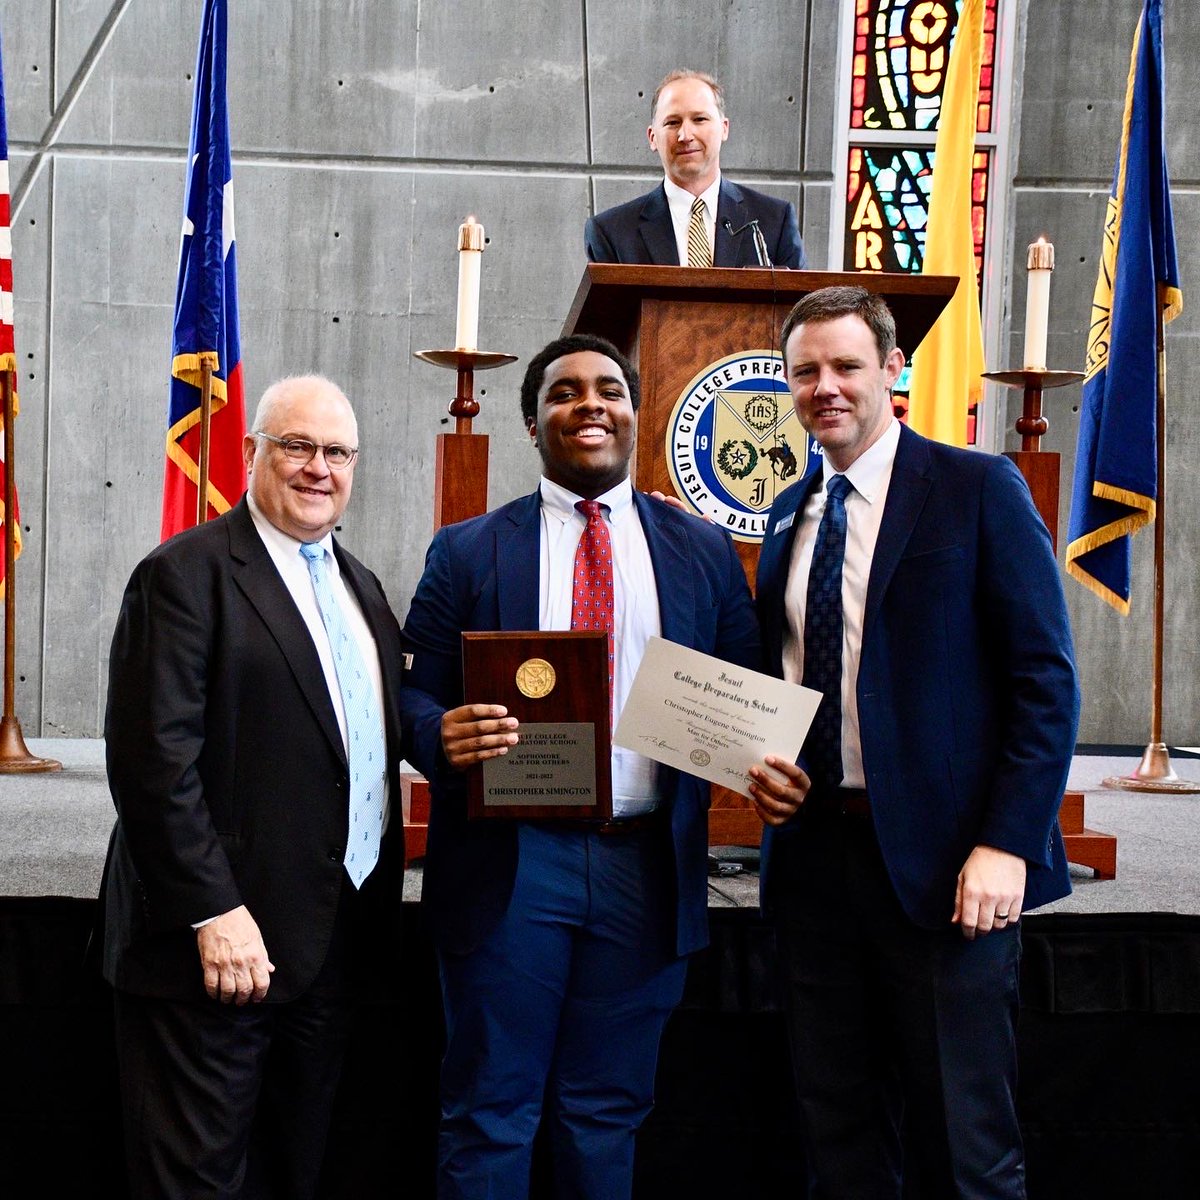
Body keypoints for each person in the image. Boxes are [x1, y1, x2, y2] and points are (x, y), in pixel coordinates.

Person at [400, 333, 760, 1199]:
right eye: (565, 393)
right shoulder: (469, 549)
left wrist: (761, 756)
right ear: (533, 423)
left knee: (607, 1112)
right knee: (491, 1111)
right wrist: (439, 735)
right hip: (511, 863)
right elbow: (410, 694)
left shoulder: (702, 550)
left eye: (608, 389)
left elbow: (746, 688)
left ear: (637, 413)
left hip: (646, 862)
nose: (588, 404)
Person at [746, 286, 1079, 1198]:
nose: (826, 387)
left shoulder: (974, 487)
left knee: (965, 1149)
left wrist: (1008, 841)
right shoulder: (787, 515)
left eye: (847, 366)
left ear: (893, 370)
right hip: (814, 867)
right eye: (806, 370)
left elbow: (1045, 683)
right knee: (840, 1139)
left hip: (945, 870)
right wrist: (757, 766)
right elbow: (783, 679)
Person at [100, 375, 406, 1199]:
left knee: (295, 1174)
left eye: (336, 452)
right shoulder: (183, 575)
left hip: (331, 947)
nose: (318, 469)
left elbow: (364, 750)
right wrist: (212, 909)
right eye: (296, 446)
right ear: (251, 453)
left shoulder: (363, 590)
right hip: (214, 950)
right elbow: (151, 762)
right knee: (197, 1185)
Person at [585, 70, 806, 269]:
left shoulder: (774, 220)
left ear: (724, 129)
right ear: (652, 138)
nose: (685, 136)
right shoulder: (611, 232)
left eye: (699, 119)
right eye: (672, 122)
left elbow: (802, 311)